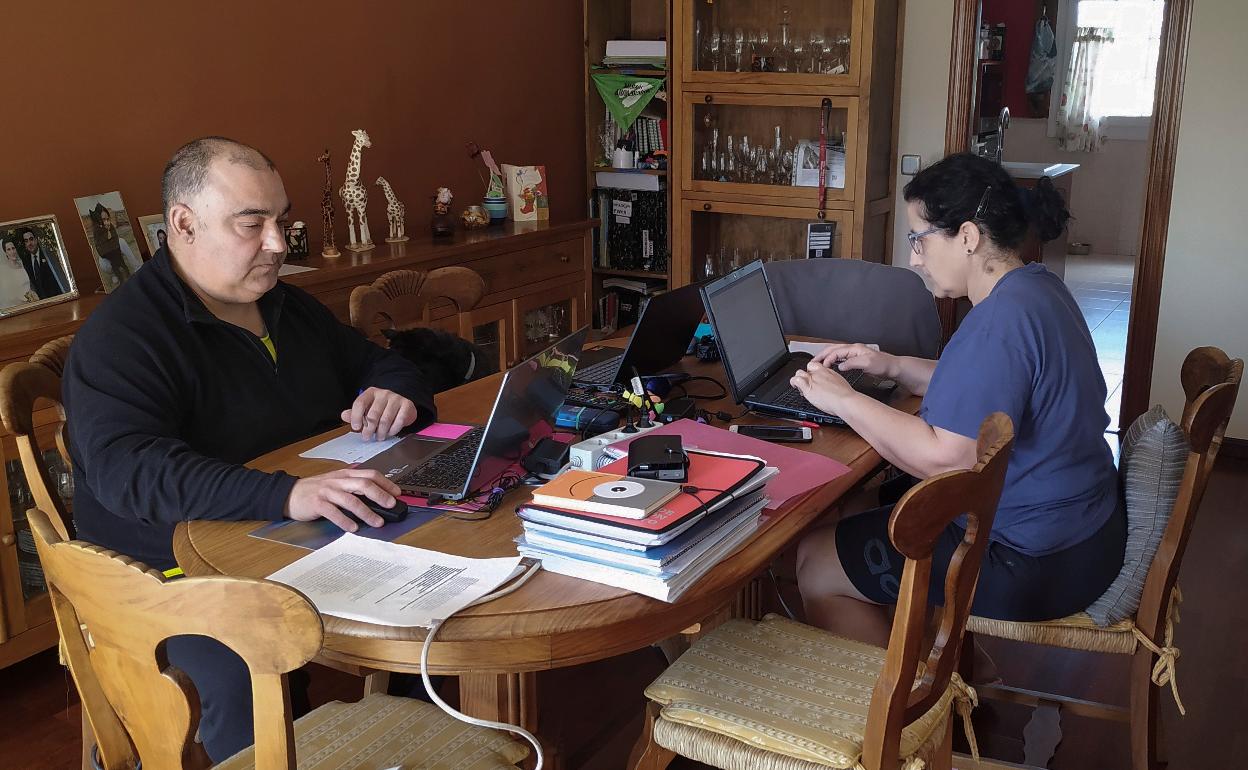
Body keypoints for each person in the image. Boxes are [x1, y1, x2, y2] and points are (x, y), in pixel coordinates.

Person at [63, 136, 436, 762]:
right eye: (252, 223)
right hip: (163, 569)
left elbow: (378, 362)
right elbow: (129, 472)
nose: (278, 243)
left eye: (281, 220)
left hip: (281, 534)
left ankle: (413, 735)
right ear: (184, 224)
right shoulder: (124, 336)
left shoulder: (283, 303)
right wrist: (286, 495)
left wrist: (394, 393)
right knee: (245, 667)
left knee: (432, 586)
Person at [791, 152, 1125, 649]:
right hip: (1082, 535)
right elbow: (992, 391)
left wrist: (843, 400)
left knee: (816, 563)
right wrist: (894, 366)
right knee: (857, 505)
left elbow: (945, 460)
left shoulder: (997, 324)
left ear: (967, 237)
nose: (914, 258)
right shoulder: (1036, 289)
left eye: (919, 239)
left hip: (1033, 560)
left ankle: (912, 694)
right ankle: (951, 661)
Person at [87, 203, 141, 288]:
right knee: (105, 264)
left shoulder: (110, 226)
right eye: (103, 219)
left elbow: (115, 238)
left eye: (107, 218)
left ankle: (136, 266)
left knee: (121, 241)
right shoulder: (96, 230)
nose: (106, 221)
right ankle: (114, 274)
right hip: (106, 254)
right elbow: (100, 247)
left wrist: (109, 231)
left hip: (114, 251)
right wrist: (106, 232)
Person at [18, 226, 71, 298]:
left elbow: (59, 278)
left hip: (57, 297)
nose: (29, 243)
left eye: (31, 239)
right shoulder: (26, 262)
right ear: (25, 244)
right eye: (26, 241)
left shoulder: (48, 255)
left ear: (36, 240)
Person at [0, 238, 36, 308]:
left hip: (30, 303)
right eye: (9, 249)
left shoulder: (22, 264)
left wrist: (32, 296)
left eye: (13, 248)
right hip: (16, 305)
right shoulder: (4, 270)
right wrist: (23, 302)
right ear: (5, 252)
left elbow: (28, 285)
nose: (12, 252)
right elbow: (7, 293)